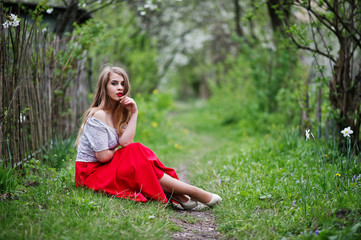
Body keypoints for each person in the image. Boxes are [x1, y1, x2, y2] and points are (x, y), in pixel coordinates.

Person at [74, 65, 222, 210]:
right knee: (134, 152)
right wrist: (118, 152)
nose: (120, 87)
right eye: (114, 83)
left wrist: (134, 113)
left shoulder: (118, 113)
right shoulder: (97, 115)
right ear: (104, 87)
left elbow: (126, 143)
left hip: (106, 168)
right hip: (90, 173)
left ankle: (181, 194)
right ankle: (191, 192)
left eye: (122, 84)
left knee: (135, 150)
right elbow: (103, 156)